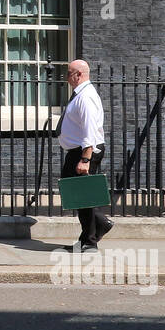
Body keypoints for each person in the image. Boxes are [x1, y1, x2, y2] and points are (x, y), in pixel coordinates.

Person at [58, 59, 112, 252]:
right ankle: (87, 236)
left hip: (83, 152)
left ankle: (91, 239)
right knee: (76, 195)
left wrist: (85, 159)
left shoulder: (85, 97)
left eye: (68, 73)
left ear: (79, 74)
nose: (66, 78)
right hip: (78, 151)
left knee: (84, 197)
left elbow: (89, 131)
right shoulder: (80, 95)